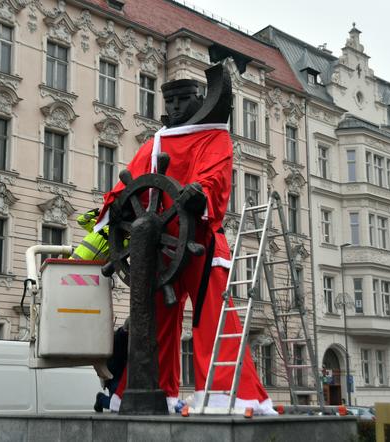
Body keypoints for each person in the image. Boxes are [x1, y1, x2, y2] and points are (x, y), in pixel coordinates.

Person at [95, 72, 275, 415]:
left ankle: (230, 395)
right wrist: (115, 204)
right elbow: (129, 184)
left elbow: (216, 178)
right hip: (158, 251)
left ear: (200, 99)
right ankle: (153, 390)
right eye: (170, 101)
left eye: (183, 99)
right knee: (153, 324)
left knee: (213, 320)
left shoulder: (214, 139)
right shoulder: (156, 143)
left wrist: (200, 193)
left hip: (202, 243)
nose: (176, 106)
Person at [94, 317, 129, 412]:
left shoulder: (119, 337)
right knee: (119, 406)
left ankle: (101, 399)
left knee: (120, 406)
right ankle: (101, 399)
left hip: (119, 376)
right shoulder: (120, 338)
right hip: (115, 377)